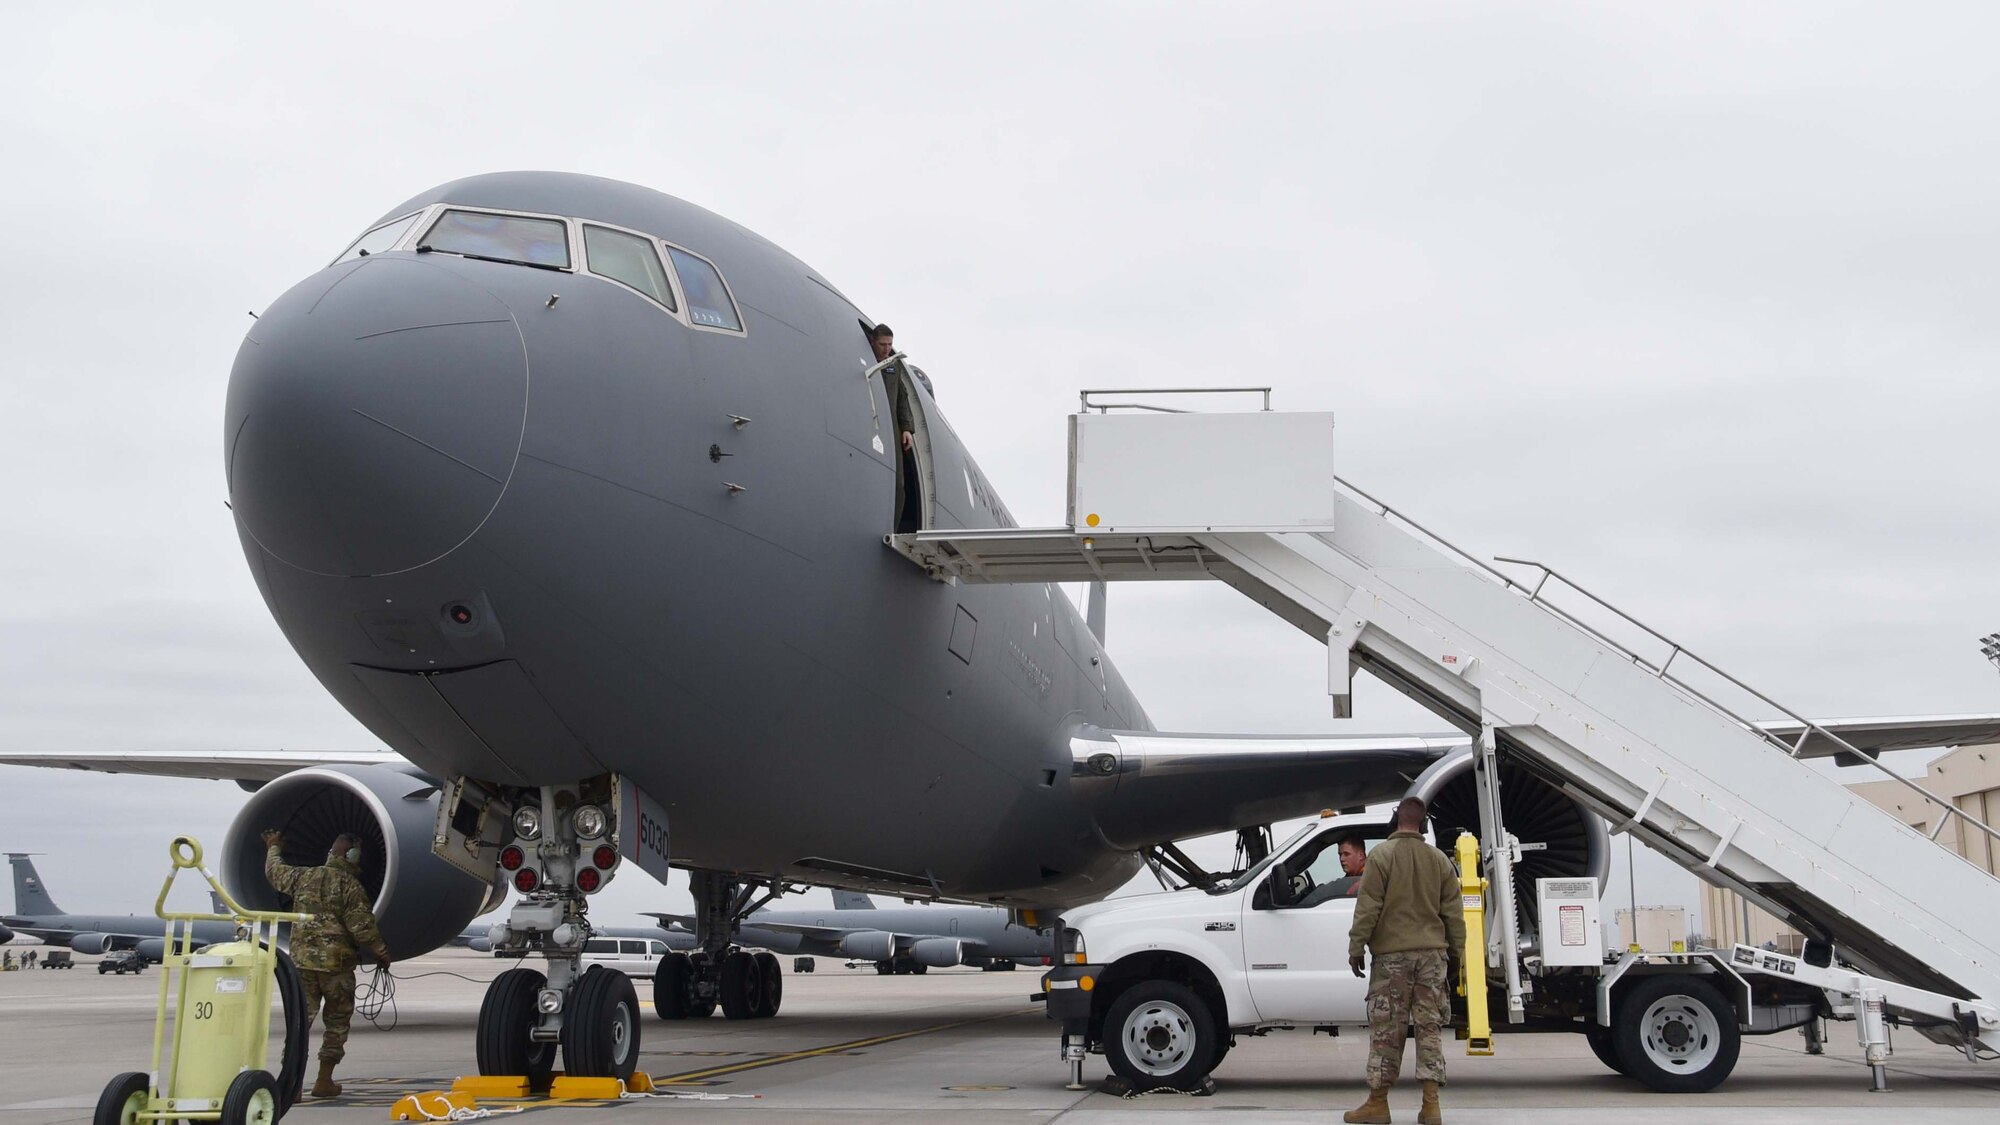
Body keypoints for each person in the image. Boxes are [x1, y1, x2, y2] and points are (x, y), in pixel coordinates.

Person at [1345, 798, 1465, 1125]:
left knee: (1387, 1031)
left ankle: (1378, 1104)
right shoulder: (1440, 861)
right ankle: (1431, 1106)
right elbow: (1454, 916)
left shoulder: (1381, 857)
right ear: (1423, 824)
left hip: (1392, 959)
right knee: (1429, 1030)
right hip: (1432, 957)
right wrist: (1456, 957)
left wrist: (1356, 948)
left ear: (1396, 820)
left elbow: (1367, 908)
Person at [263, 829, 391, 1099]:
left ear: (331, 852)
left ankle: (293, 1085)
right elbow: (362, 927)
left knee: (300, 1023)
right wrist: (381, 953)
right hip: (337, 968)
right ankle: (324, 1081)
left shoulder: (303, 876)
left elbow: (275, 872)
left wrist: (273, 846)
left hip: (303, 965)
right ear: (353, 855)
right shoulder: (350, 886)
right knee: (336, 1023)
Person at [869, 323, 927, 533]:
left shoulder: (893, 367)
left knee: (898, 484)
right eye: (882, 344)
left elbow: (902, 398)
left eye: (890, 344)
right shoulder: (865, 361)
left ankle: (890, 527)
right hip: (872, 423)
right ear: (873, 342)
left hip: (891, 429)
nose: (886, 349)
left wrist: (906, 429)